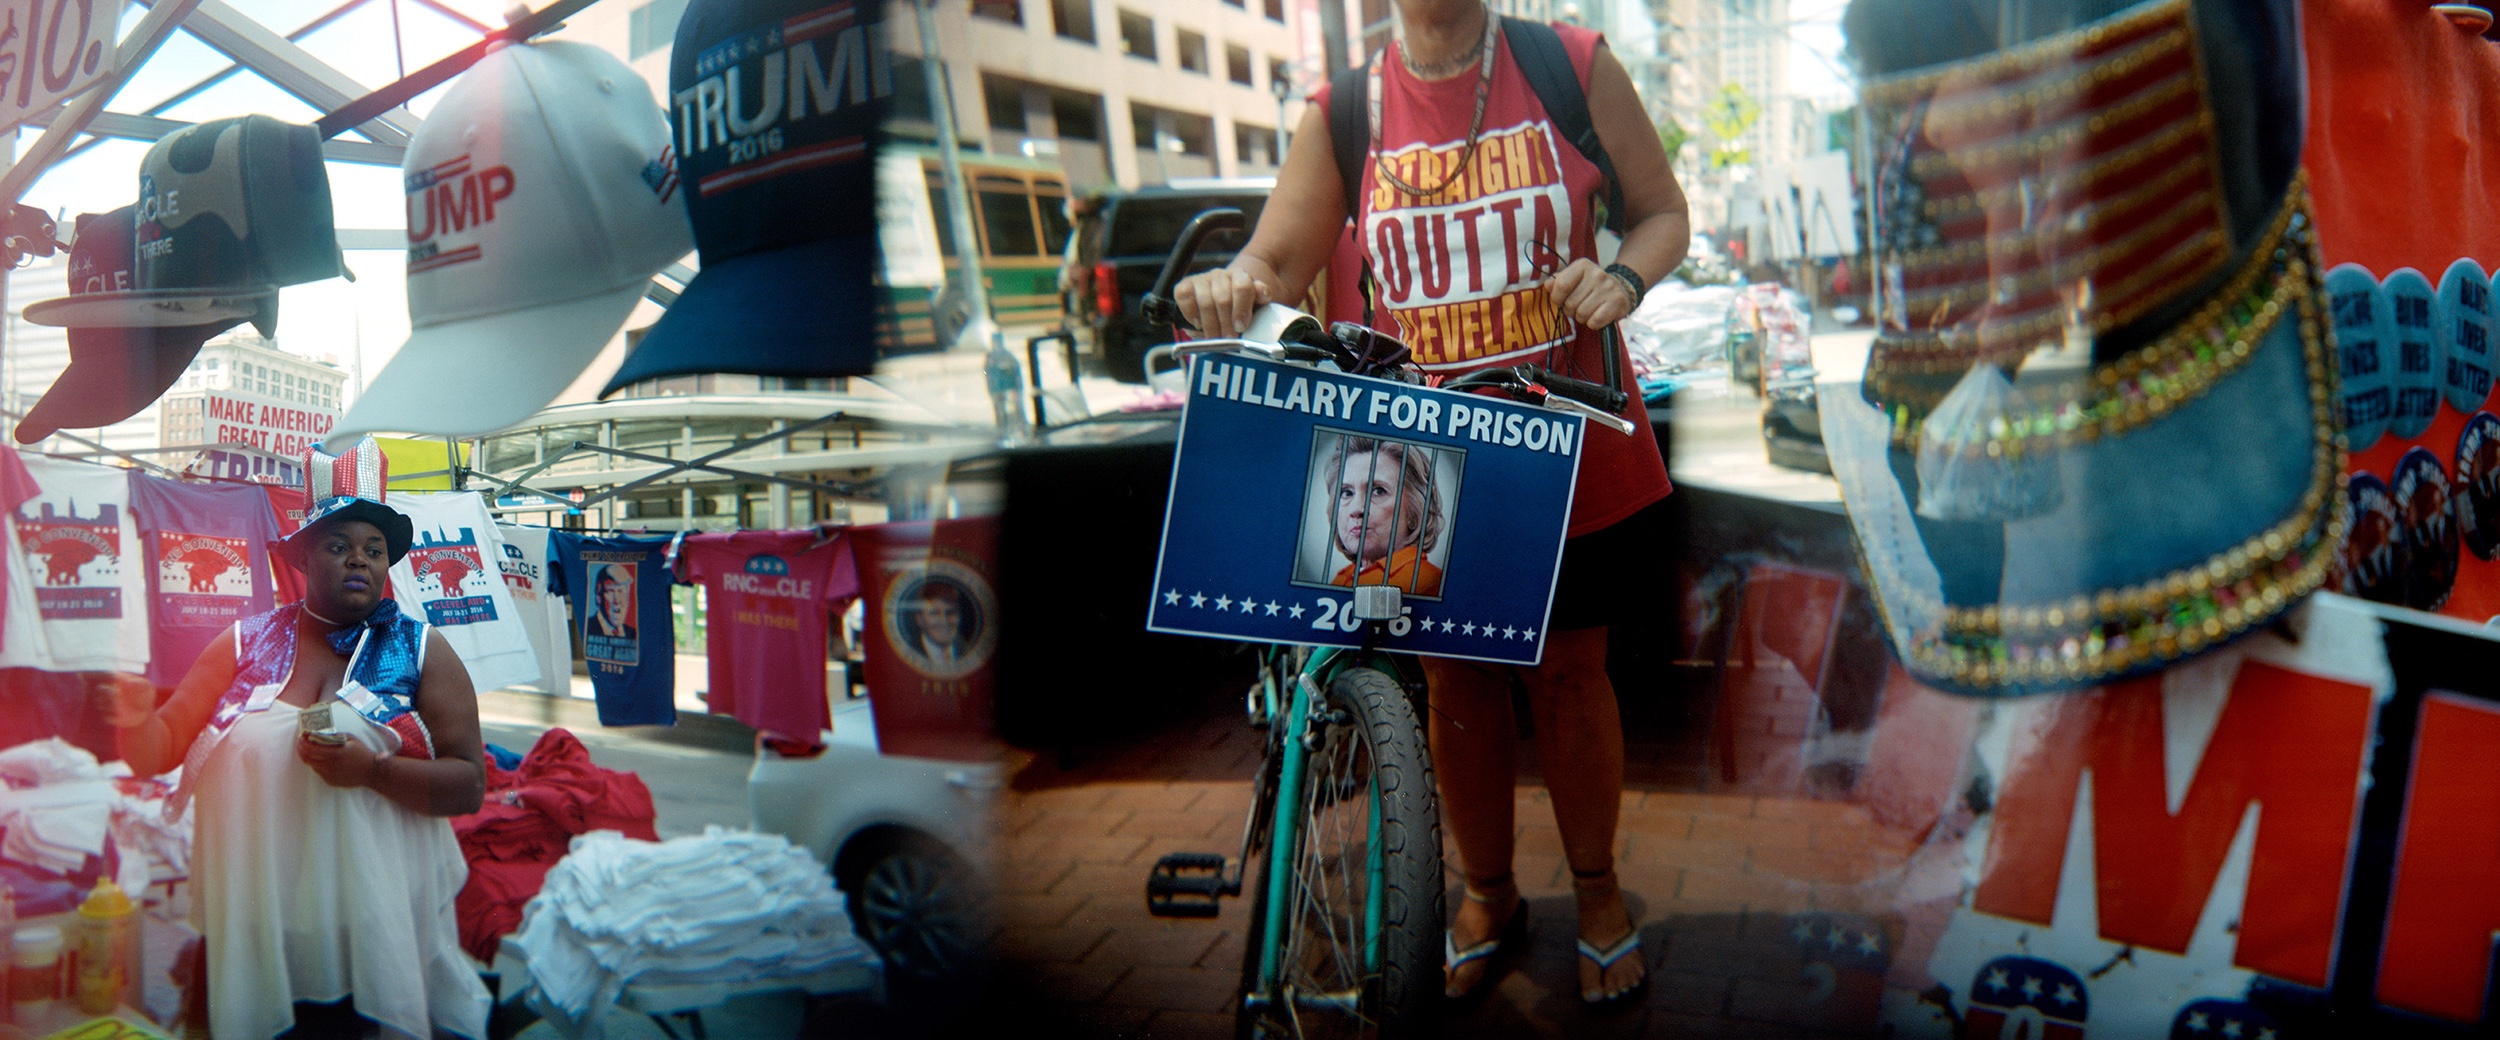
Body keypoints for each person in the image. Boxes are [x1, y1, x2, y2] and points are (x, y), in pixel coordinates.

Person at [1176, 0, 1687, 1007]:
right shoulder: (1347, 107)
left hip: (1565, 433)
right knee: (1458, 690)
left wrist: (1623, 275)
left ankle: (1596, 893)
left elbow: (1663, 210)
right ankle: (1488, 895)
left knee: (1574, 677)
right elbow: (1276, 259)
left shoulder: (1568, 63)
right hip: (1423, 456)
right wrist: (1236, 284)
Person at [91, 495, 491, 1039]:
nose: (360, 560)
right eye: (339, 546)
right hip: (255, 920)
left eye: (374, 550)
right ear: (302, 559)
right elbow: (158, 750)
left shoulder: (422, 651)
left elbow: (467, 785)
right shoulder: (241, 642)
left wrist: (373, 772)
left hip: (367, 928)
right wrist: (136, 720)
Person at [1326, 435, 1447, 598]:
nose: (1356, 509)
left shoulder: (1428, 583)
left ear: (1415, 511)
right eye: (1347, 492)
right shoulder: (1341, 578)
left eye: (1378, 491)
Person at [592, 563, 637, 640]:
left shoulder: (634, 633)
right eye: (611, 591)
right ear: (598, 597)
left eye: (621, 591)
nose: (617, 600)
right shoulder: (589, 628)